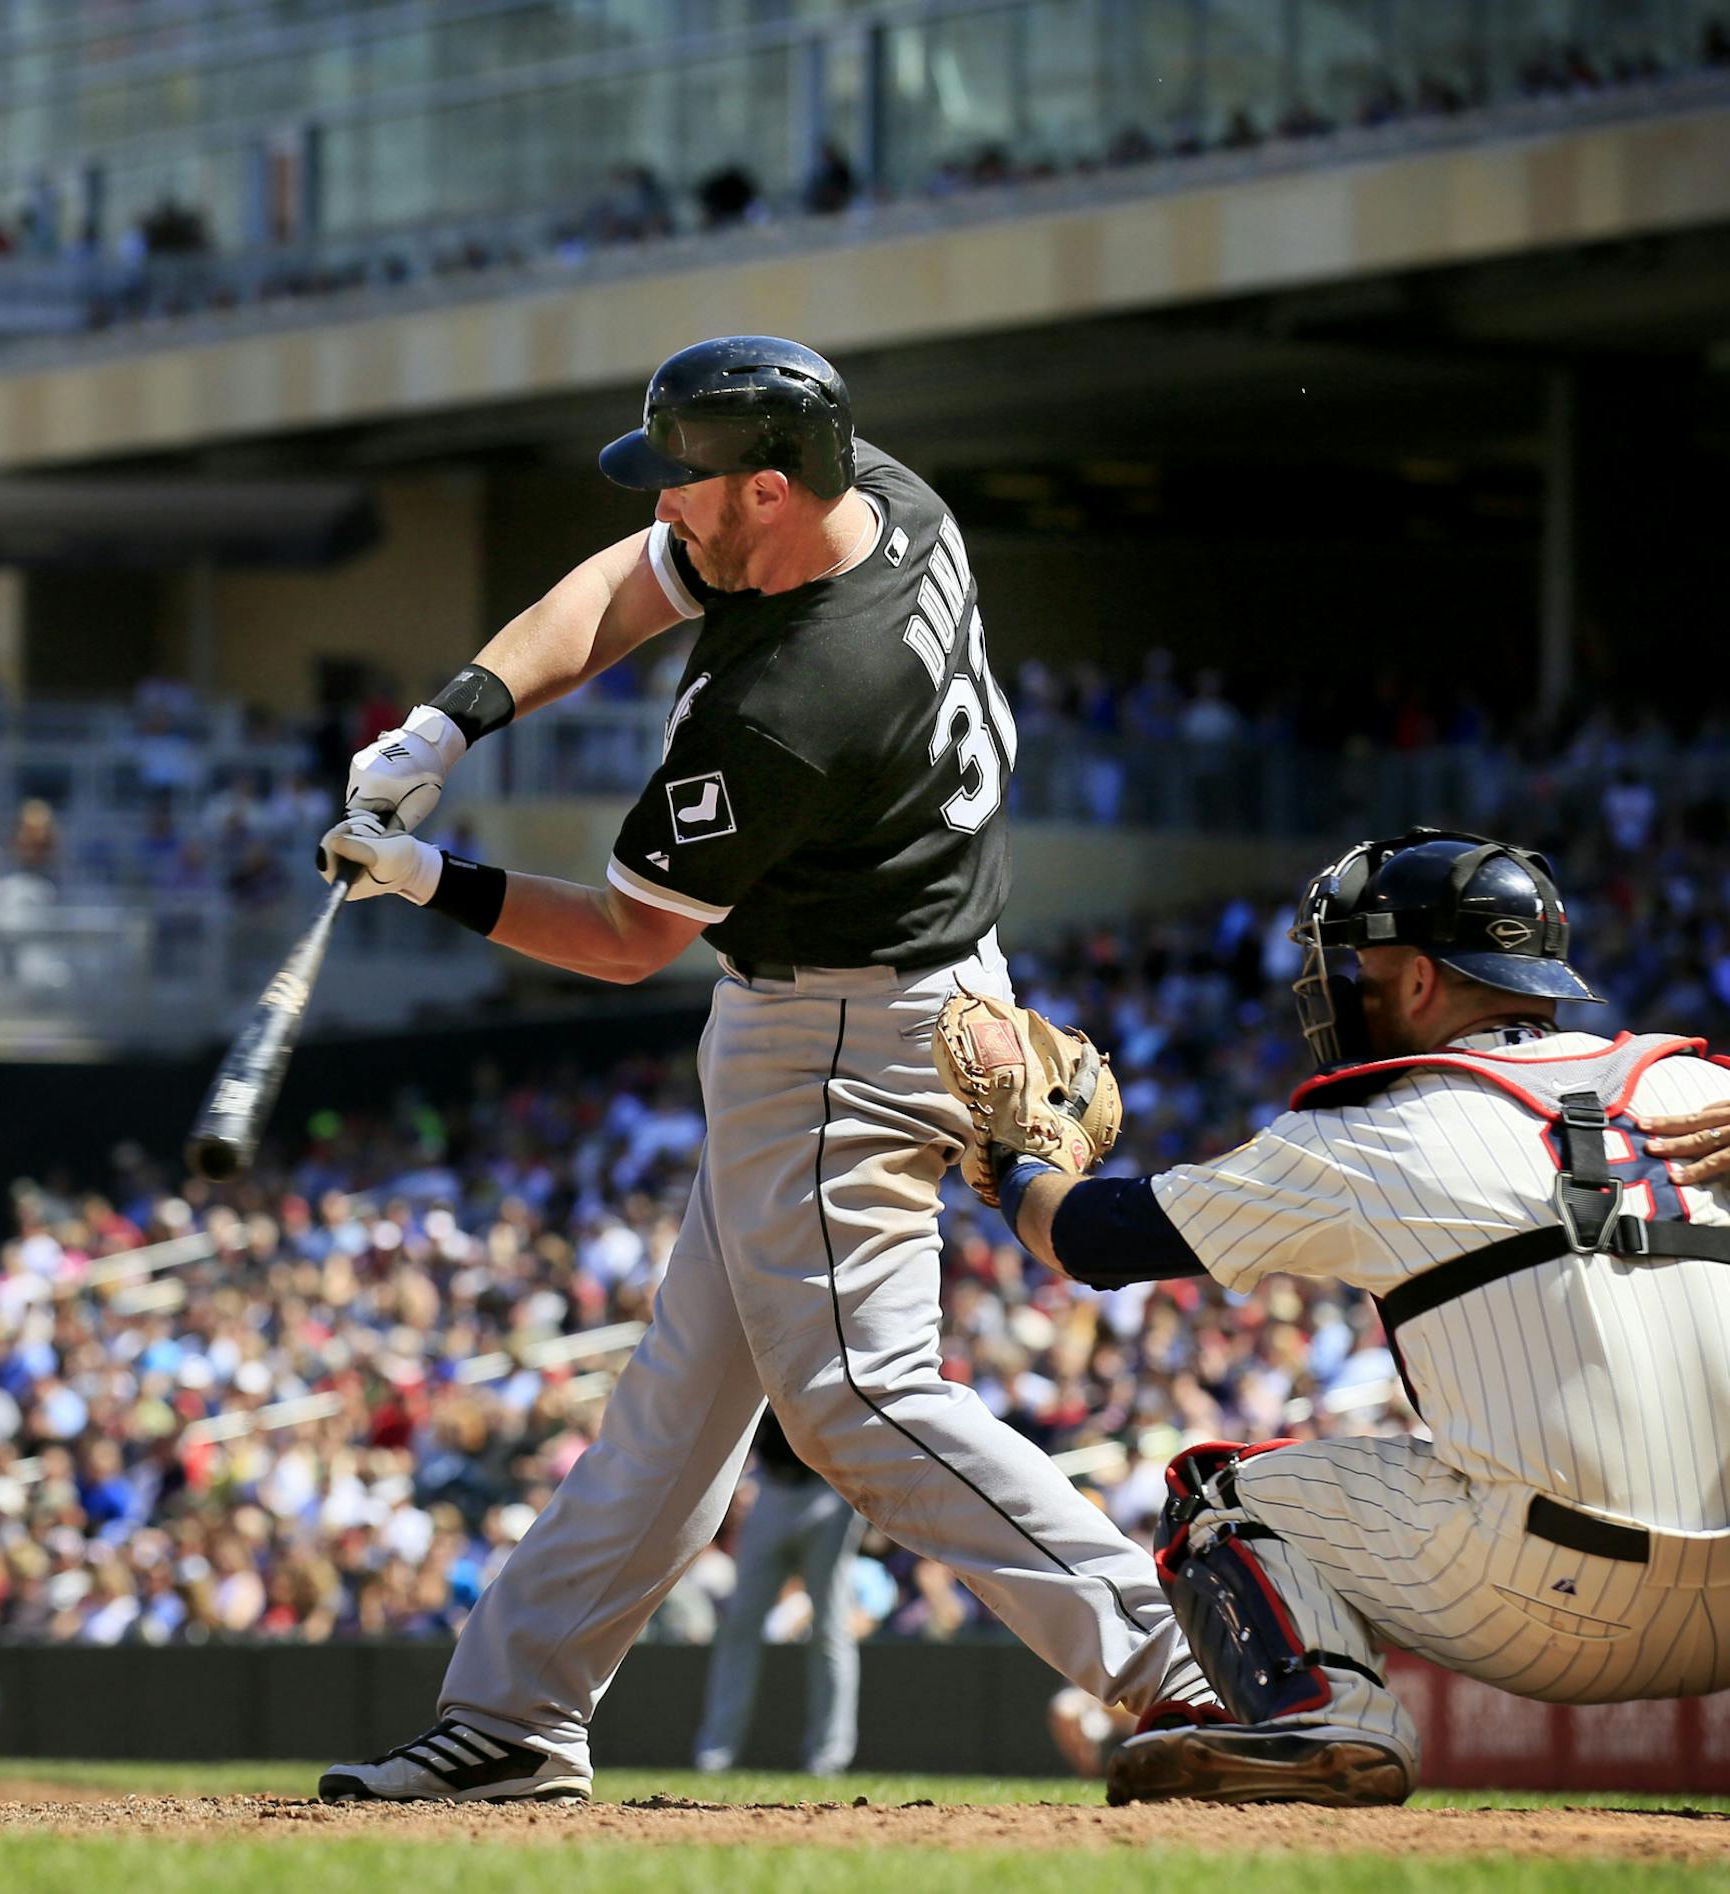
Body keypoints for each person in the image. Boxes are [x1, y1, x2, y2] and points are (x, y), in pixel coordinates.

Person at [312, 334, 1209, 1804]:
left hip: (843, 1035)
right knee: (682, 1402)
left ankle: (1184, 1659)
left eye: (691, 482)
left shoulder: (797, 696)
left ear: (774, 492)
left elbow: (620, 939)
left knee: (860, 1395)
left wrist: (428, 877)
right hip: (882, 979)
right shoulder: (887, 499)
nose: (666, 505)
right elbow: (622, 583)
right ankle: (520, 1710)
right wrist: (449, 716)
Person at [947, 829, 1730, 1808]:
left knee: (1217, 1498)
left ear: (1417, 981)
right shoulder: (1705, 1088)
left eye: (1360, 962)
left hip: (1548, 1602)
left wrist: (1014, 1160)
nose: (1340, 986)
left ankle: (1327, 1718)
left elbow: (1093, 1238)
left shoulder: (1375, 1129)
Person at [693, 1411, 863, 1777]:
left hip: (831, 1489)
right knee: (740, 1626)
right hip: (772, 1488)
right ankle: (716, 1752)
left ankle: (830, 1756)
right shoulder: (773, 1354)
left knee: (831, 1629)